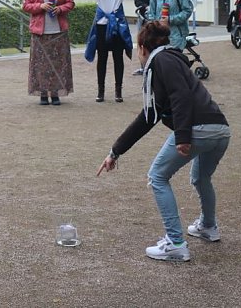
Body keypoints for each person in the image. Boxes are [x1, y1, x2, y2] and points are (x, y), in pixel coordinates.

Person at [96, 21, 231, 262]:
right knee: (201, 177)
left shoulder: (162, 61)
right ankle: (208, 227)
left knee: (157, 177)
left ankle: (176, 243)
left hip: (196, 127)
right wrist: (114, 152)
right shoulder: (171, 59)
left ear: (142, 48)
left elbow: (181, 95)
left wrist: (182, 135)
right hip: (219, 129)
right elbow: (147, 119)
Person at [85, 0, 141, 103]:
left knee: (118, 58)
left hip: (117, 24)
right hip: (102, 24)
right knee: (102, 58)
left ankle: (118, 91)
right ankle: (101, 91)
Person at [22, 0, 75, 105]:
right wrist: (40, 6)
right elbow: (26, 6)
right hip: (40, 32)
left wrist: (60, 8)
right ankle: (43, 94)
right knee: (41, 64)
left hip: (58, 31)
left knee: (58, 63)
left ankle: (56, 93)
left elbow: (70, 3)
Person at [132, 0, 159, 76]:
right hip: (143, 18)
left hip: (155, 19)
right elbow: (137, 0)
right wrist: (144, 6)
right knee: (142, 42)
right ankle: (143, 66)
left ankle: (155, 66)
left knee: (155, 41)